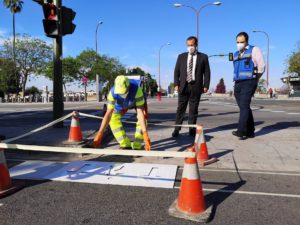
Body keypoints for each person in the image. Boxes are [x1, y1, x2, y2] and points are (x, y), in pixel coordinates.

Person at [93, 75, 151, 150]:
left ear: (128, 87)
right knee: (113, 118)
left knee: (143, 117)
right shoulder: (112, 93)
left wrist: (145, 133)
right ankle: (125, 144)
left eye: (123, 91)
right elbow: (108, 114)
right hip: (122, 104)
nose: (121, 94)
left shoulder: (137, 90)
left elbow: (140, 112)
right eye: (119, 92)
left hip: (136, 102)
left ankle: (137, 145)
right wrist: (100, 133)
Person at [172, 36, 211, 137]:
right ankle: (177, 128)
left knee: (193, 109)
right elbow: (176, 71)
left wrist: (206, 85)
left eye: (192, 45)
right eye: (188, 45)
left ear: (196, 45)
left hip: (196, 86)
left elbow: (207, 72)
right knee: (180, 109)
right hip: (183, 86)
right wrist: (176, 84)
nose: (190, 47)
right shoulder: (181, 56)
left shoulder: (203, 57)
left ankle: (192, 130)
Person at [232, 32, 265, 139]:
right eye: (237, 42)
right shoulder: (236, 54)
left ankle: (241, 131)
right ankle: (250, 131)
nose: (239, 44)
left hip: (249, 81)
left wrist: (256, 79)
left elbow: (261, 66)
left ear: (246, 41)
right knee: (243, 106)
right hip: (237, 83)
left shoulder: (254, 49)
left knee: (244, 105)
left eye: (241, 42)